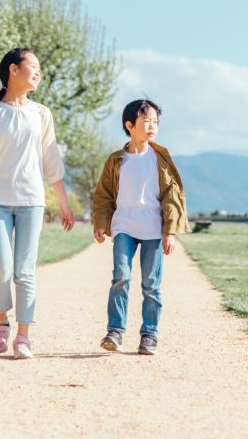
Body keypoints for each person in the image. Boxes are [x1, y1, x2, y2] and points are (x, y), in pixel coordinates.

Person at [0, 47, 74, 360]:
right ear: (14, 70)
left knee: (24, 271)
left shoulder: (41, 113)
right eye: (34, 66)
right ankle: (1, 324)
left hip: (31, 201)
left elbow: (51, 161)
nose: (39, 73)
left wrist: (64, 204)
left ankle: (23, 337)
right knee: (1, 269)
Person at [92, 98, 190, 355]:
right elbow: (103, 195)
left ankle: (149, 335)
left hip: (152, 229)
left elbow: (172, 197)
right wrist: (101, 223)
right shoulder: (116, 160)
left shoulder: (160, 159)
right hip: (124, 224)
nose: (152, 126)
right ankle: (115, 331)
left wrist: (169, 231)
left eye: (156, 122)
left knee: (151, 284)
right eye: (146, 121)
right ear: (129, 125)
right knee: (120, 277)